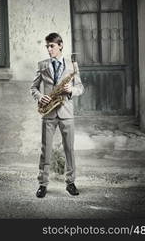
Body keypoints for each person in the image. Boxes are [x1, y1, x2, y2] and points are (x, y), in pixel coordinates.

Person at [29, 32, 84, 198]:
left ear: (60, 45)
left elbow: (81, 88)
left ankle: (71, 183)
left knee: (70, 150)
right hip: (49, 113)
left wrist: (71, 90)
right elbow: (33, 88)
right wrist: (40, 97)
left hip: (66, 112)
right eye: (47, 46)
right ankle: (43, 184)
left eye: (51, 46)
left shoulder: (72, 65)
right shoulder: (43, 65)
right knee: (46, 150)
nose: (49, 49)